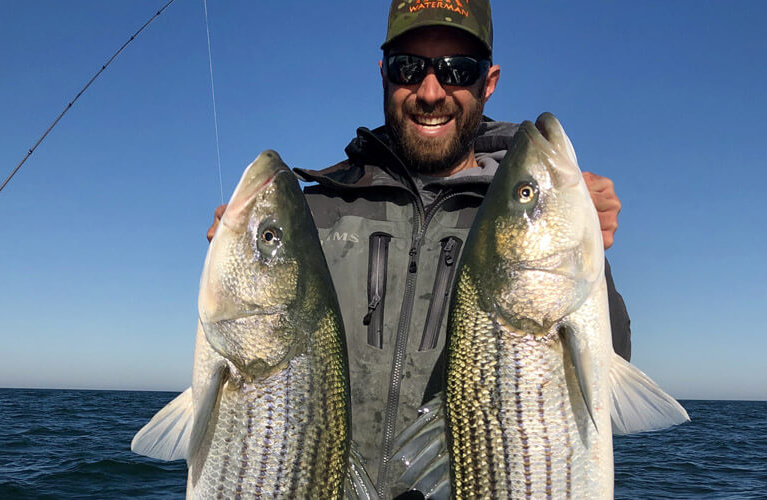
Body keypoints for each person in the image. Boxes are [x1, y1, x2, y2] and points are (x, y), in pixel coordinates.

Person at [207, 1, 630, 496]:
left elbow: (608, 369)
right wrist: (234, 254)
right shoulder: (316, 214)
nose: (431, 92)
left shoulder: (519, 226)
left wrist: (591, 254)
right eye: (409, 67)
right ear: (384, 75)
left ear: (487, 82)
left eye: (457, 70)